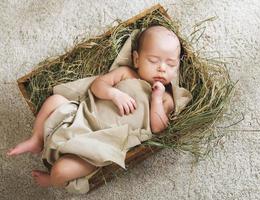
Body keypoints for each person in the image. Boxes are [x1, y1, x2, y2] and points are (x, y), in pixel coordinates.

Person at [7, 25, 183, 190]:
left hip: (101, 144)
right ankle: (37, 139)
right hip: (83, 118)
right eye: (153, 61)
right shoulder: (126, 73)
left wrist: (157, 99)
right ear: (136, 59)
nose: (162, 68)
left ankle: (52, 181)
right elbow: (97, 86)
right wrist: (115, 94)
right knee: (56, 100)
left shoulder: (167, 99)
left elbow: (159, 127)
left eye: (171, 64)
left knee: (60, 171)